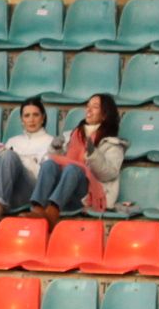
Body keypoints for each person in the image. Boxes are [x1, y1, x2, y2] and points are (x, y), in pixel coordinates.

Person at [28, 93, 126, 224]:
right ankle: (38, 209)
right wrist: (55, 148)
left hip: (86, 196)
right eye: (88, 106)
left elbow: (109, 173)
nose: (88, 110)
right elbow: (58, 160)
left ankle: (53, 212)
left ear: (105, 114)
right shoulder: (72, 135)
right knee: (49, 164)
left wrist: (93, 154)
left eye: (95, 107)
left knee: (73, 169)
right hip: (62, 189)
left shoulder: (112, 144)